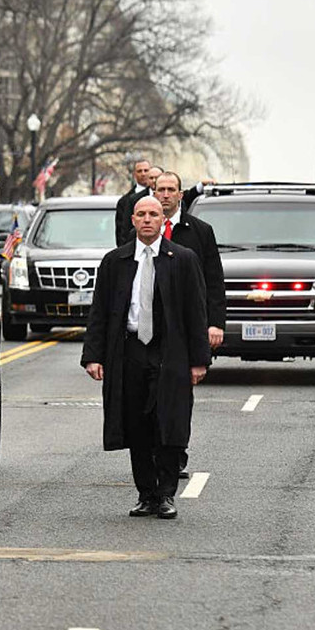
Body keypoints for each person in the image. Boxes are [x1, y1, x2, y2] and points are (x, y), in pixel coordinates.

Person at [80, 196, 210, 520]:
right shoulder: (115, 261)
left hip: (171, 351)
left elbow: (196, 312)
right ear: (133, 220)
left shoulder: (182, 259)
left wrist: (199, 360)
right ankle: (146, 493)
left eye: (154, 214)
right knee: (136, 424)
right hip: (130, 350)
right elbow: (99, 313)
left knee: (168, 422)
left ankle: (166, 494)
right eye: (142, 214)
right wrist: (93, 356)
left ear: (163, 219)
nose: (148, 219)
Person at [152, 171, 225, 479]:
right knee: (149, 395)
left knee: (179, 397)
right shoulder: (143, 231)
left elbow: (213, 280)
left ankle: (176, 452)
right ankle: (155, 453)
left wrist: (214, 323)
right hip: (150, 327)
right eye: (160, 190)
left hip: (184, 328)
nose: (165, 195)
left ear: (181, 195)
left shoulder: (199, 231)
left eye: (171, 190)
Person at [115, 159, 153, 245]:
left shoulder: (162, 197)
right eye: (139, 171)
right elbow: (121, 232)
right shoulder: (124, 201)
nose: (143, 174)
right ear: (134, 174)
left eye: (146, 170)